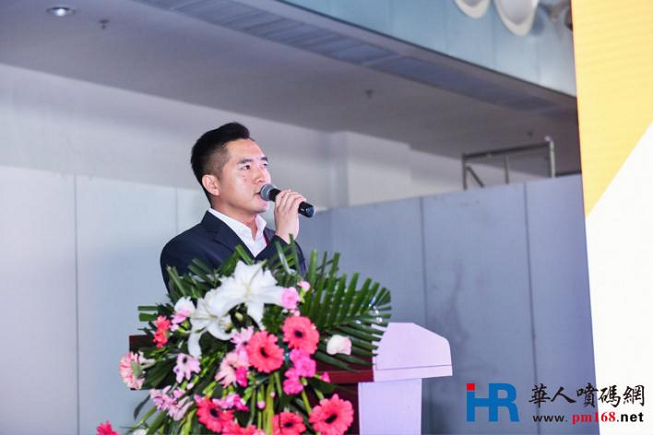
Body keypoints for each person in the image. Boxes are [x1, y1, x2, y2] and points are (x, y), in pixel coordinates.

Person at [160, 122, 307, 286]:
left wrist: (283, 240)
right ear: (213, 184)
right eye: (246, 167)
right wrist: (282, 242)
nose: (262, 177)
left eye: (263, 165)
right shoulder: (185, 248)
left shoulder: (284, 242)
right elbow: (229, 301)